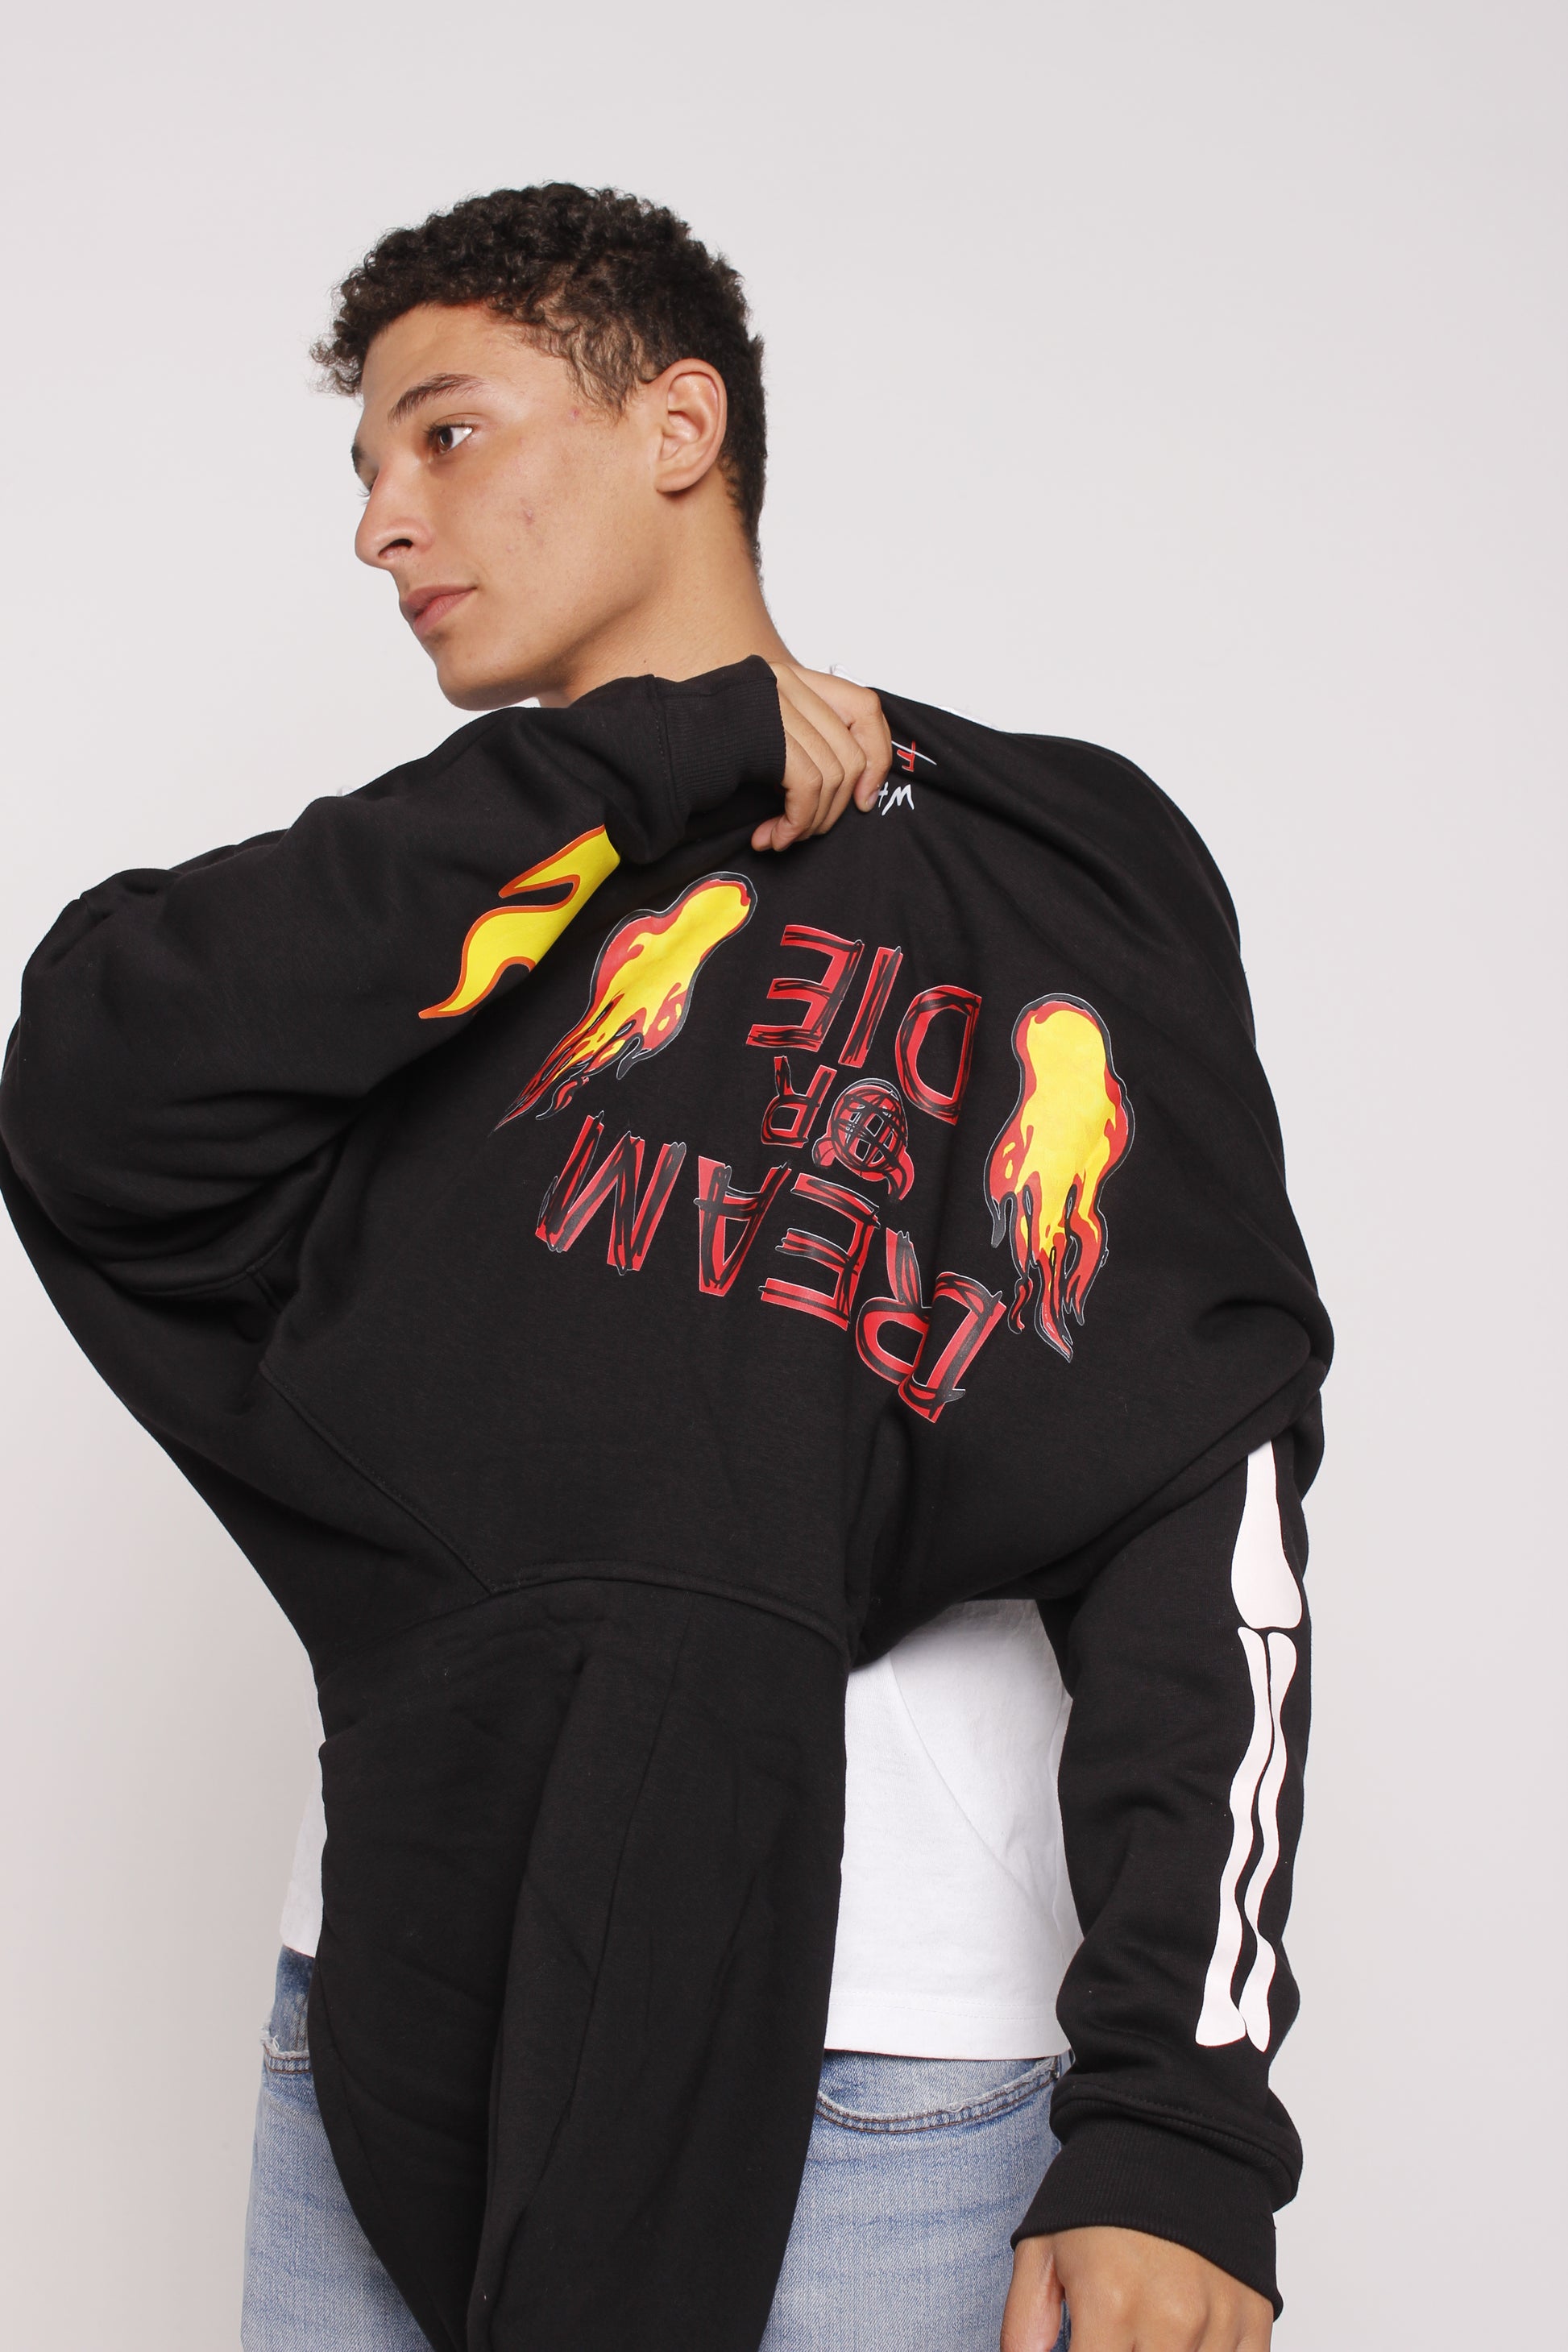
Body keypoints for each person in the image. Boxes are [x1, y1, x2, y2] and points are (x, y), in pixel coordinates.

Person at [0, 185, 1329, 2352]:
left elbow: (1203, 1479)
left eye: (446, 433)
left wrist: (1178, 2125)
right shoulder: (454, 900)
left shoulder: (1039, 869)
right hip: (380, 2023)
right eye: (365, 467)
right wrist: (659, 756)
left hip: (885, 2067)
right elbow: (95, 1075)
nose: (383, 523)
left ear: (676, 425)